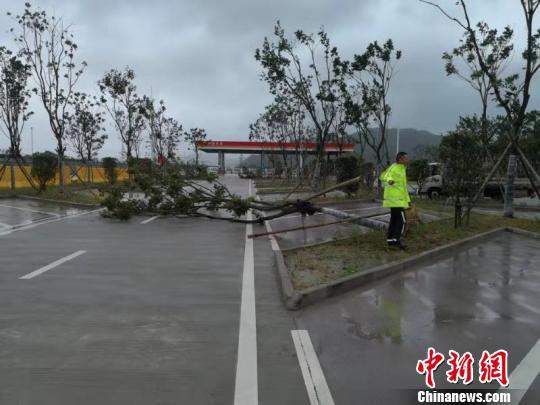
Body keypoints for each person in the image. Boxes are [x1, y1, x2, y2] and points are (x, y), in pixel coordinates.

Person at [380, 152, 411, 249]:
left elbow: (403, 188)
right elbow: (384, 176)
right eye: (406, 158)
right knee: (402, 221)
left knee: (394, 220)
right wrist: (389, 180)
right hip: (395, 200)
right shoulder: (394, 168)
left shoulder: (402, 169)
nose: (408, 160)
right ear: (401, 159)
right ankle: (397, 241)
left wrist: (407, 200)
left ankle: (391, 241)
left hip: (399, 200)